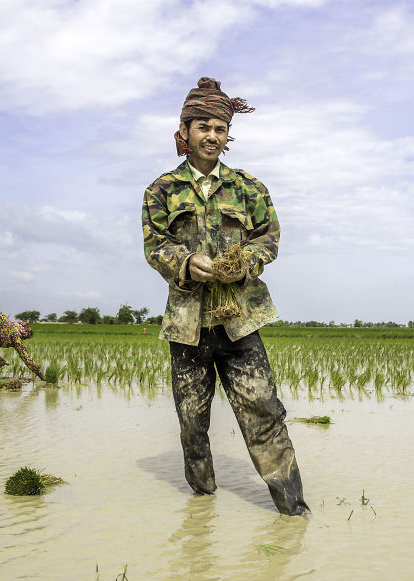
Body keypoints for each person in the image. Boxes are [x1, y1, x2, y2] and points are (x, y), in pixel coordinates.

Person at [141, 77, 309, 516]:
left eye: (220, 127)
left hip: (240, 322)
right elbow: (154, 245)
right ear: (185, 131)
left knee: (264, 412)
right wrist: (183, 262)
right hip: (187, 325)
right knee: (192, 424)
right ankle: (202, 511)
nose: (211, 135)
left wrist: (246, 262)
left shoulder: (250, 188)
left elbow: (268, 239)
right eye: (202, 126)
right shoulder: (160, 190)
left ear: (227, 134)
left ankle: (292, 510)